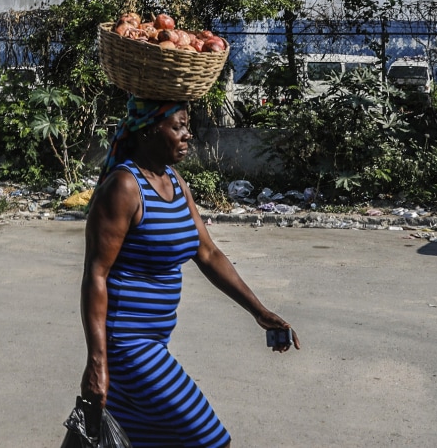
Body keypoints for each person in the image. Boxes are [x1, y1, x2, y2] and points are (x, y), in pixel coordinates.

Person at [80, 97, 298, 447]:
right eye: (178, 126)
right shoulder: (124, 188)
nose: (188, 135)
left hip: (156, 341)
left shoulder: (174, 182)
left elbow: (208, 253)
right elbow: (96, 275)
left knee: (124, 440)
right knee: (210, 440)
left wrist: (259, 311)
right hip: (128, 346)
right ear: (150, 129)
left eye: (187, 126)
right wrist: (97, 361)